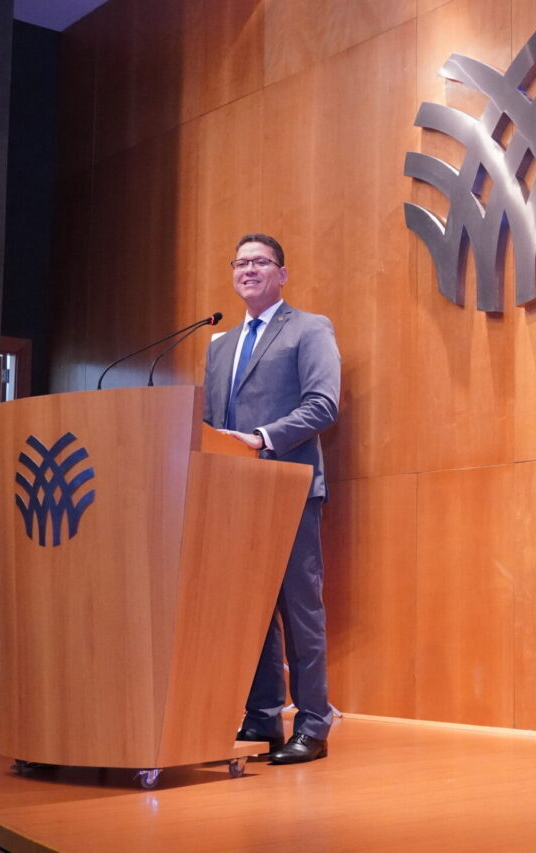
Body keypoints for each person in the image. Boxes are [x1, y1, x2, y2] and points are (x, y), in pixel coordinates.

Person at [203, 233, 340, 765]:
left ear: (282, 273)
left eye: (260, 262)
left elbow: (323, 404)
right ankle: (262, 719)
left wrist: (262, 438)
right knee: (249, 612)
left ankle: (312, 725)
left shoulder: (309, 328)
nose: (249, 270)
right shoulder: (218, 345)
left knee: (299, 609)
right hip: (232, 496)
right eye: (240, 263)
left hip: (287, 487)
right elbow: (213, 425)